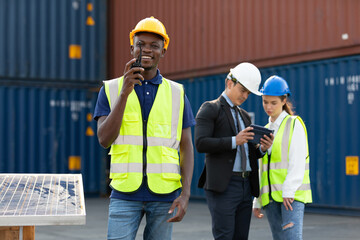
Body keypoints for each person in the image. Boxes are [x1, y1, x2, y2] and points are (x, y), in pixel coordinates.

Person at [94, 16, 195, 240]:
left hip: (164, 196)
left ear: (163, 51)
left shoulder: (177, 93)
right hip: (124, 195)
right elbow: (104, 139)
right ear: (132, 48)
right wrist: (124, 93)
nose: (146, 50)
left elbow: (187, 146)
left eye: (154, 46)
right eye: (141, 44)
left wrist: (185, 194)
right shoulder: (111, 90)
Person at [195, 62, 273, 240]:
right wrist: (233, 141)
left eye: (248, 93)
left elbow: (248, 151)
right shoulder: (210, 108)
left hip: (245, 185)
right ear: (229, 82)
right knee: (225, 236)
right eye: (243, 90)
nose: (245, 96)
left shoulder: (244, 116)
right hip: (225, 185)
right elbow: (201, 143)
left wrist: (261, 149)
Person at [252, 75, 312, 240]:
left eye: (273, 103)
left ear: (284, 100)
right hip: (270, 197)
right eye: (265, 102)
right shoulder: (264, 130)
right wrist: (257, 200)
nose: (268, 107)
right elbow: (261, 168)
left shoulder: (294, 124)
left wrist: (288, 191)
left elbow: (297, 161)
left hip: (290, 196)